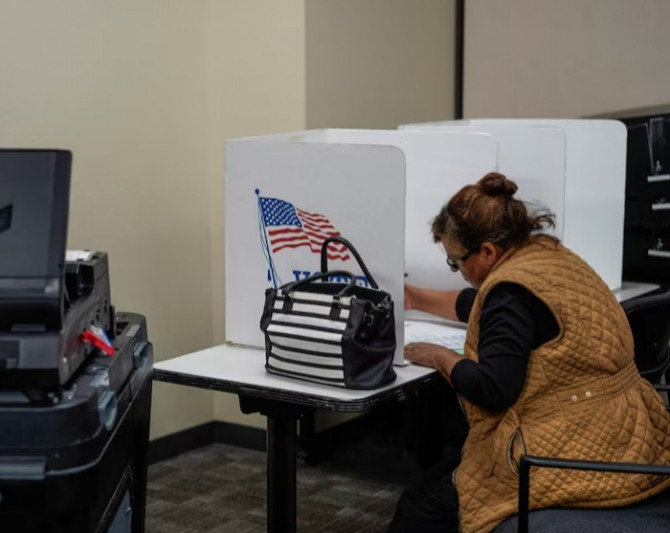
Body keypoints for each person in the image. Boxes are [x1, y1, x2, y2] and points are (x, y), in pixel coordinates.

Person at [387, 172, 670, 533]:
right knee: (448, 471)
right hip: (627, 430)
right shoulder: (546, 258)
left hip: (574, 447)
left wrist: (442, 357)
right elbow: (482, 305)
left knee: (419, 507)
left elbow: (493, 388)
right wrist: (417, 299)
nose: (456, 271)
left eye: (456, 262)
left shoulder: (509, 291)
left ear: (487, 251)